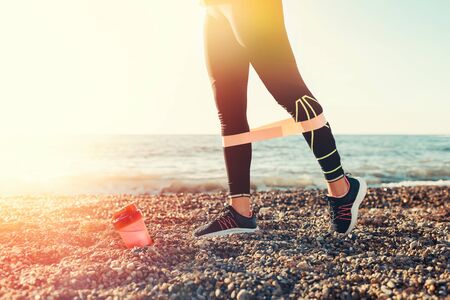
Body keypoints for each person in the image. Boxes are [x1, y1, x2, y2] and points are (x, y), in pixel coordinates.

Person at [194, 0, 367, 238]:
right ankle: (240, 212)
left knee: (289, 90)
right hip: (211, 8)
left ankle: (341, 189)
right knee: (228, 109)